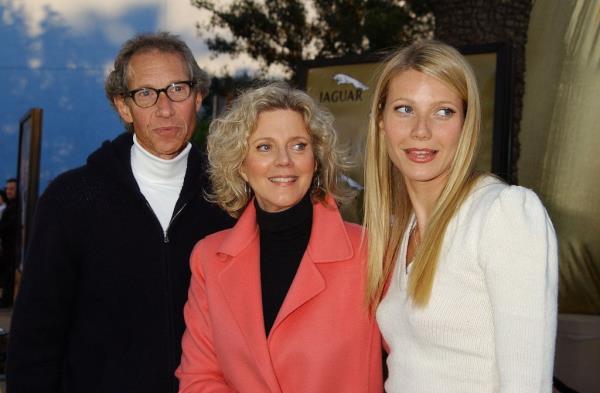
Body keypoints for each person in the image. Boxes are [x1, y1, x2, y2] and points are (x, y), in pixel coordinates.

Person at [6, 32, 233, 393]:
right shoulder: (70, 200)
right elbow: (35, 339)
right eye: (145, 93)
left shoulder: (231, 197)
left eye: (178, 89)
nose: (164, 108)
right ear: (123, 107)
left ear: (198, 96)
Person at [363, 40, 558, 392]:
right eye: (404, 109)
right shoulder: (402, 230)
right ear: (381, 121)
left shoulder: (504, 214)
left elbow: (528, 385)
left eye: (443, 112)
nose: (421, 130)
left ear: (466, 124)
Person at [176, 82, 383, 392]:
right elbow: (199, 379)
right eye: (264, 147)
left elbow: (417, 362)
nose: (284, 160)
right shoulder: (208, 258)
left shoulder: (371, 252)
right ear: (241, 166)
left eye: (299, 145)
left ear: (316, 161)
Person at [0, 178, 18, 307]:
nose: (8, 191)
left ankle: (6, 301)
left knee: (9, 275)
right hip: (7, 247)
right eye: (7, 188)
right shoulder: (11, 205)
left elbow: (7, 227)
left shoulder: (15, 207)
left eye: (12, 189)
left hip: (12, 248)